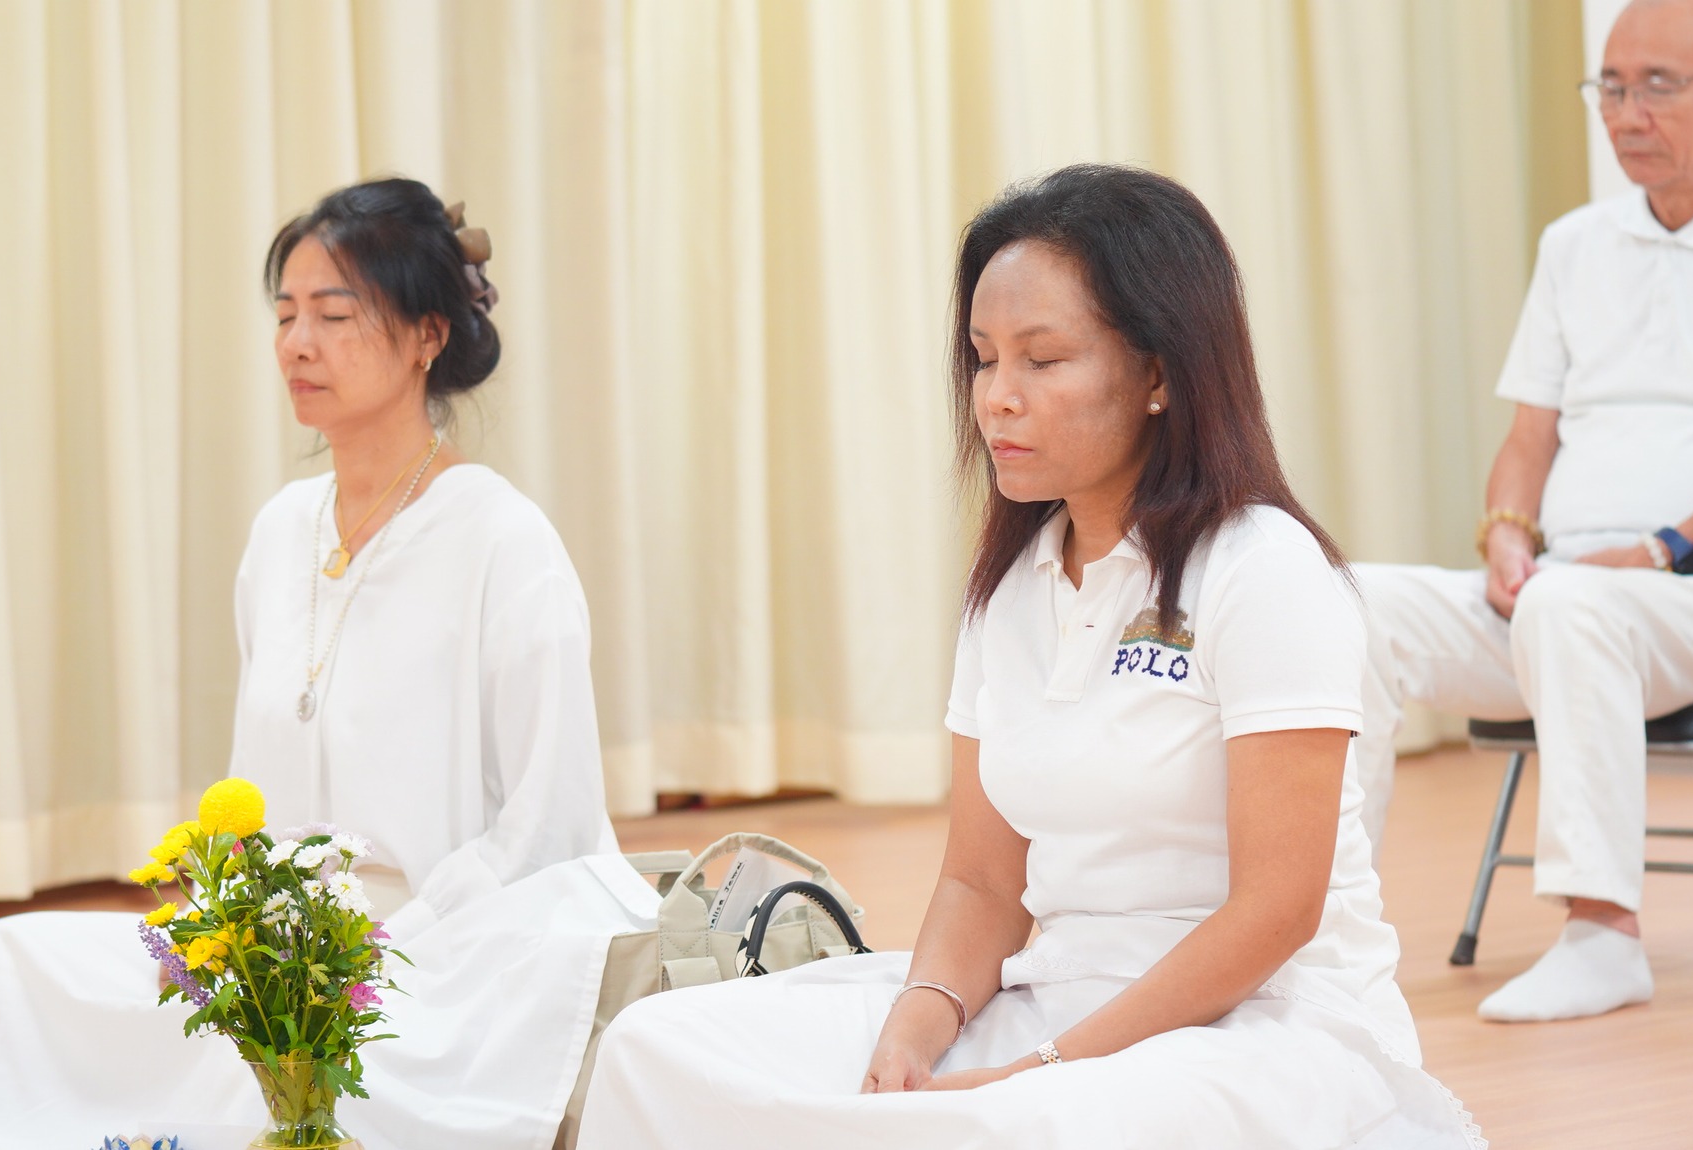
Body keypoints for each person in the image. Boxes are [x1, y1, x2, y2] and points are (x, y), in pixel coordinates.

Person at [575, 164, 1483, 1149]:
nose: (995, 399)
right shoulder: (1011, 587)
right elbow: (979, 882)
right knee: (654, 1044)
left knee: (1010, 1127)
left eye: (1041, 361)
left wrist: (1051, 1066)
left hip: (1262, 1028)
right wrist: (917, 1020)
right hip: (1051, 995)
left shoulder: (1262, 568)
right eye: (980, 357)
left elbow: (1275, 910)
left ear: (1159, 374)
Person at [0, 178, 635, 1149]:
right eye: (284, 316)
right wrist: (241, 936)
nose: (296, 345)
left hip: (441, 957)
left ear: (427, 334)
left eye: (333, 314)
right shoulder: (281, 533)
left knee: (299, 1076)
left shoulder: (503, 542)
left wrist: (372, 951)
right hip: (273, 949)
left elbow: (547, 830)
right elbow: (255, 800)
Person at [1355, 0, 1693, 1023]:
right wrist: (1507, 537)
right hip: (1568, 598)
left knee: (1567, 607)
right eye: (1609, 86)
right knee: (1348, 605)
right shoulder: (1572, 245)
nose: (1624, 112)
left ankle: (1601, 936)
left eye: (1656, 84)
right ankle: (1326, 931)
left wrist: (1649, 557)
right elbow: (1528, 439)